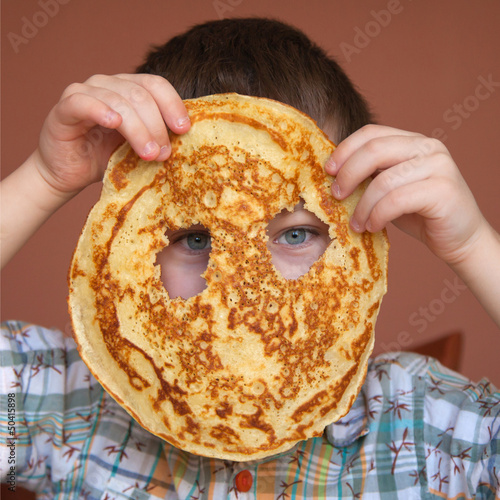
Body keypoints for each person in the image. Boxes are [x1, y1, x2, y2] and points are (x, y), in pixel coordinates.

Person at [1, 18, 499, 499]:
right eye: (195, 239)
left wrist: (474, 246)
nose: (241, 284)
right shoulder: (70, 412)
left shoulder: (422, 425)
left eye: (297, 233)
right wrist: (43, 179)